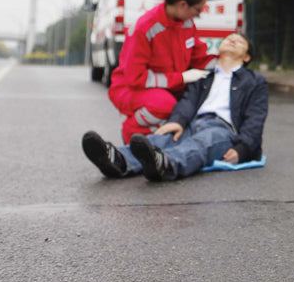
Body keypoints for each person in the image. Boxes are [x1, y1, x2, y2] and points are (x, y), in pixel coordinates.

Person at [83, 32, 268, 181]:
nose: (232, 40)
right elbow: (188, 100)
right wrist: (177, 121)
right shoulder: (203, 74)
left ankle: (166, 164)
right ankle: (116, 159)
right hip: (192, 124)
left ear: (247, 57)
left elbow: (255, 118)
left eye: (239, 41)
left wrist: (242, 149)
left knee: (200, 144)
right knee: (161, 140)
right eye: (229, 38)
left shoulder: (255, 81)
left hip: (224, 130)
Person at [108, 0, 217, 143]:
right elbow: (136, 78)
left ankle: (156, 140)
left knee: (195, 100)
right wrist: (180, 78)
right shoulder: (144, 28)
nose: (198, 14)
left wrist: (224, 62)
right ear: (182, 5)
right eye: (198, 9)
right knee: (164, 105)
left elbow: (199, 57)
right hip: (129, 88)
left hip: (168, 88)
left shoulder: (185, 23)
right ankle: (131, 133)